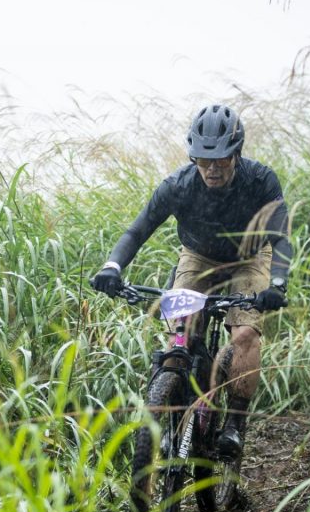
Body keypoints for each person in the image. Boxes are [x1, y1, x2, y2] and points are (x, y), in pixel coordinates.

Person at [90, 104, 292, 460]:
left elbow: (279, 236)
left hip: (249, 258)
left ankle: (234, 424)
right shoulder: (178, 185)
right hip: (198, 256)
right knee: (180, 335)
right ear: (193, 156)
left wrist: (276, 284)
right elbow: (138, 230)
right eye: (203, 160)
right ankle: (174, 411)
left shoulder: (261, 180)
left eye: (221, 160)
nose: (212, 169)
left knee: (244, 333)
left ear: (236, 154)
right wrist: (112, 267)